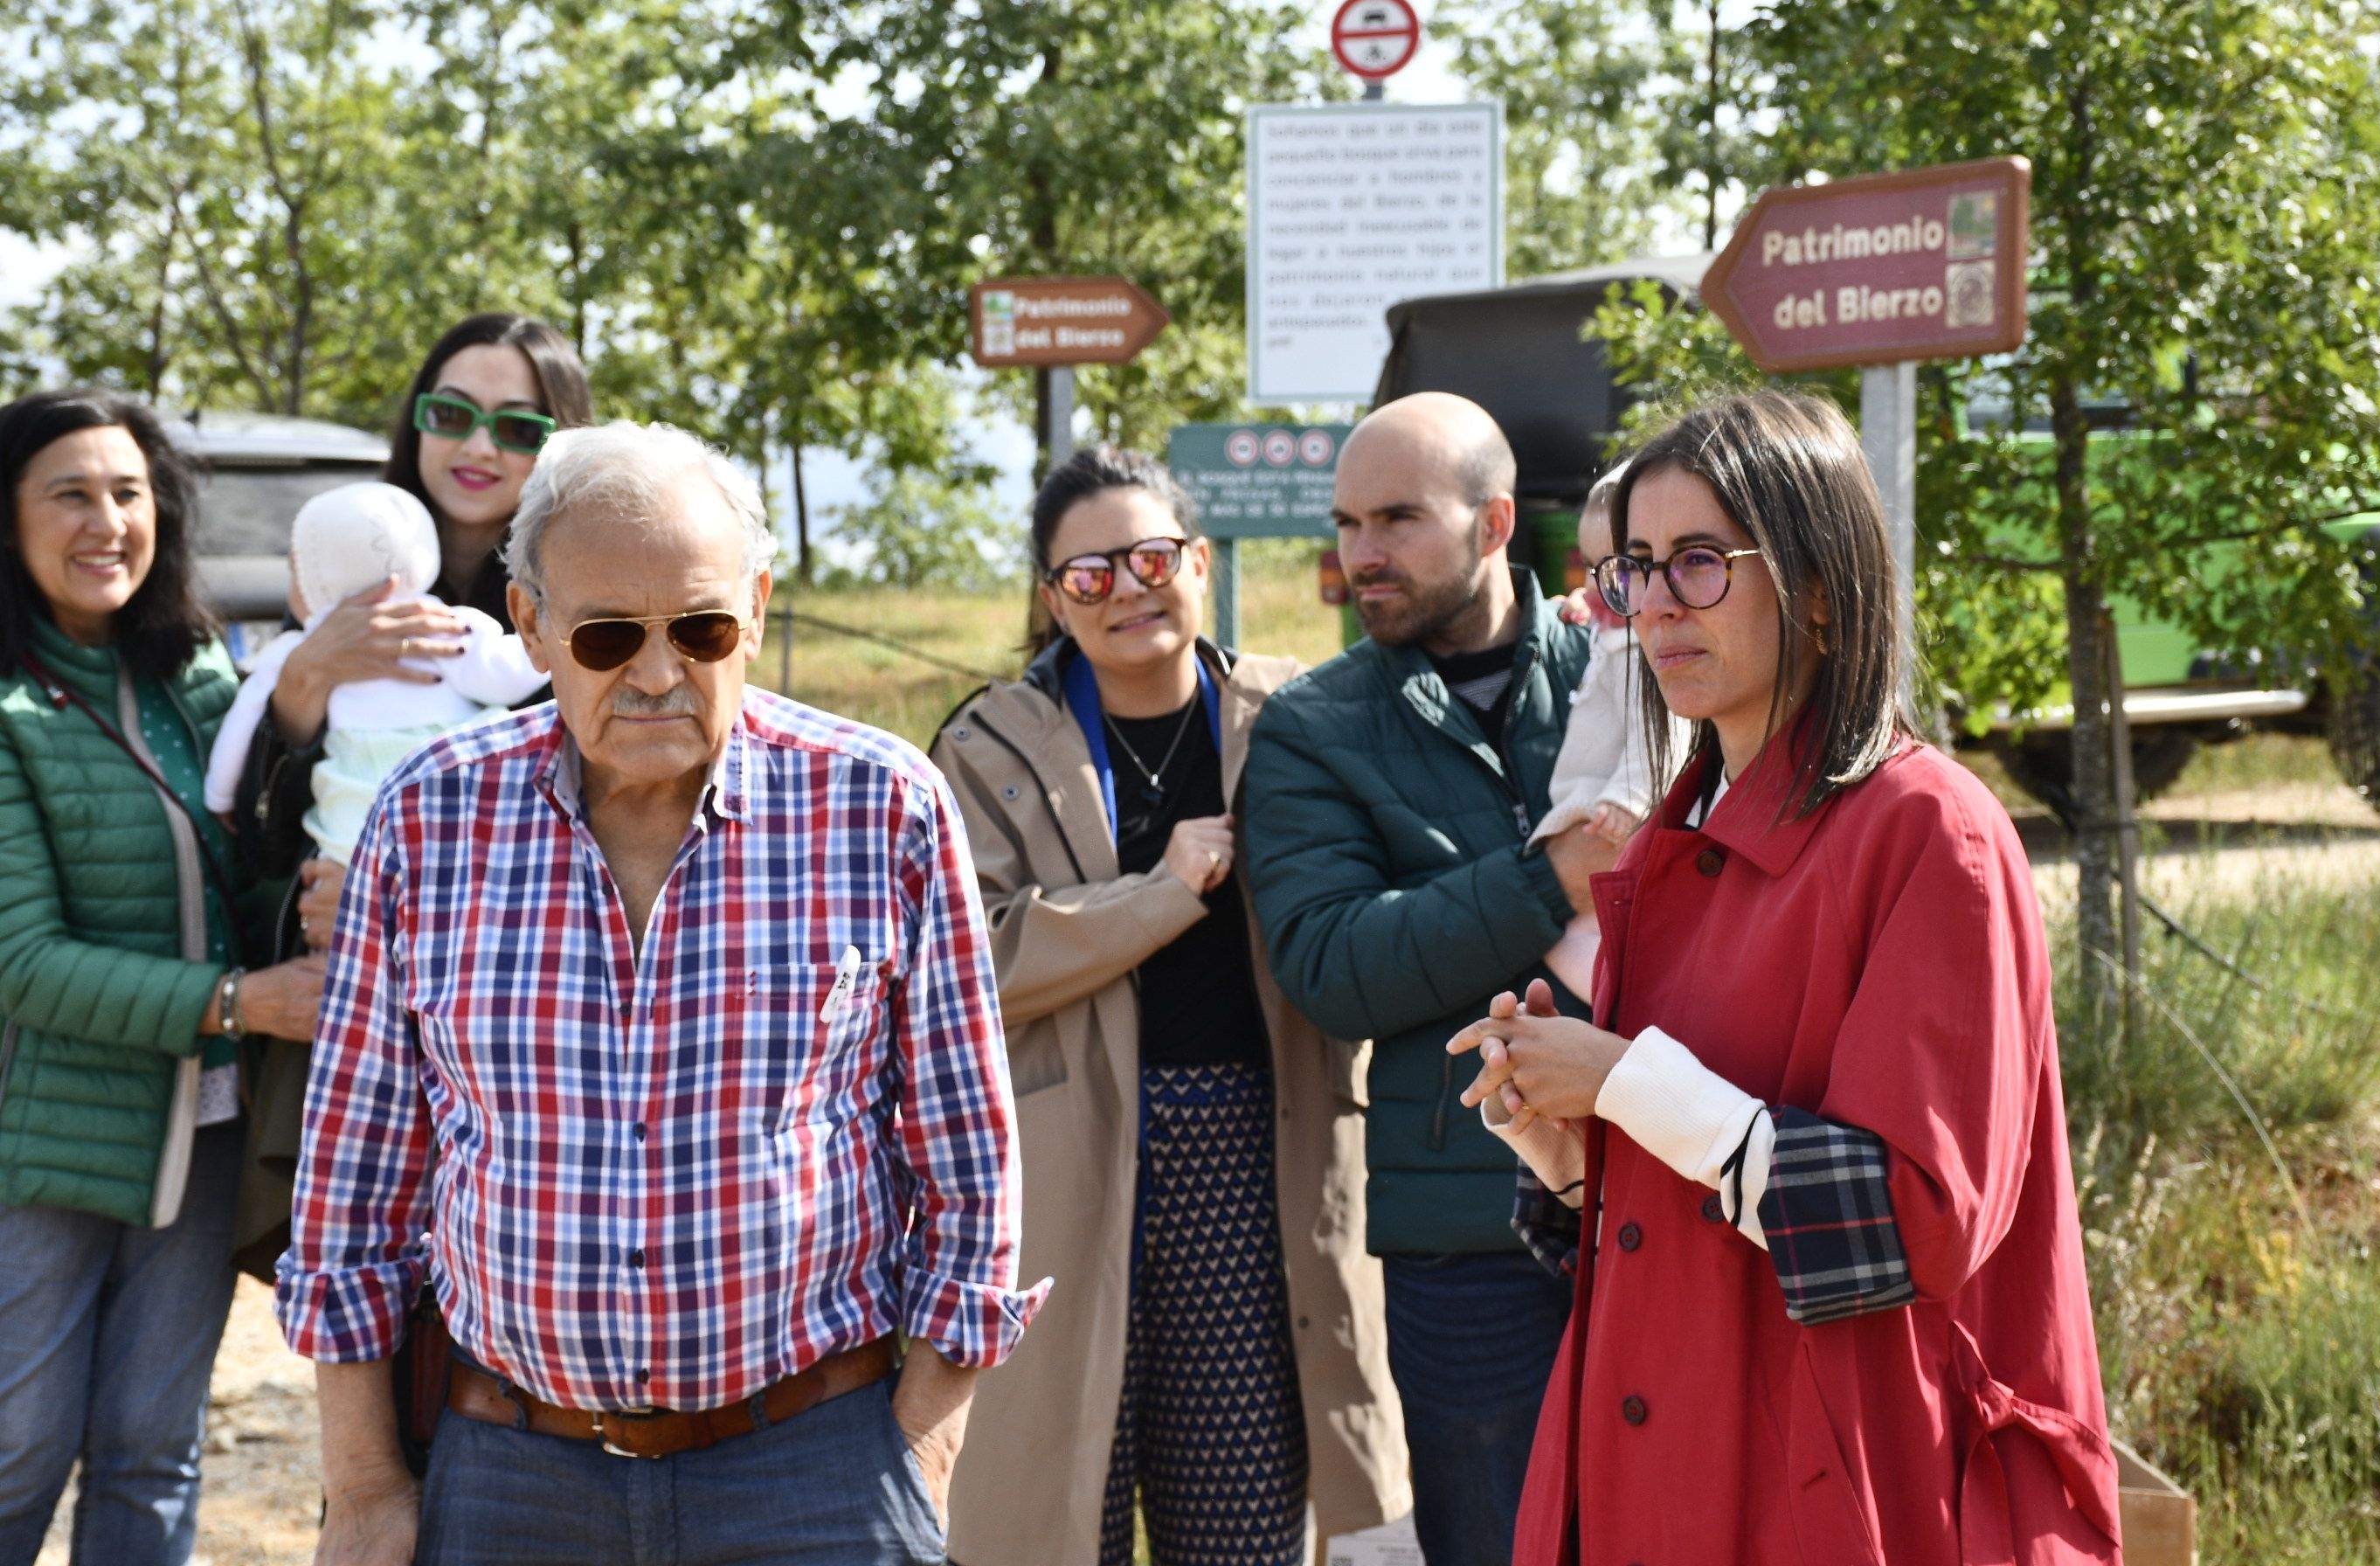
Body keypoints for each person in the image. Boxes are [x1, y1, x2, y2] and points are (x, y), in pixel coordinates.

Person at [276, 420, 1041, 1566]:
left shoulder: (882, 809)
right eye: (606, 636)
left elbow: (969, 1172)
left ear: (759, 611)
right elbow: (355, 1192)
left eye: (701, 628)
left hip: (815, 1462)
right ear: (530, 624)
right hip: (509, 1465)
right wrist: (367, 1484)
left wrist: (917, 1456)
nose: (655, 672)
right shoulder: (426, 822)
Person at [1450, 390, 2121, 1566]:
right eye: (1633, 570)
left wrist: (1625, 1084)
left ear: (1816, 583)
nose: (1652, 605)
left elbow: (1918, 1220)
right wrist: (1570, 1163)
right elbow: (1696, 1192)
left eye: (1699, 564)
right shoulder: (1670, 831)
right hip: (1654, 1473)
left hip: (1844, 1486)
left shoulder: (1932, 831)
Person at [932, 447, 1408, 1566]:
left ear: (1198, 561)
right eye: (1088, 574)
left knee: (1243, 1528)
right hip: (1059, 1169)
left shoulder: (1297, 717)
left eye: (1151, 557)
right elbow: (963, 961)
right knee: (1049, 1519)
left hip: (1255, 1161)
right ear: (1053, 598)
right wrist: (1159, 894)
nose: (1128, 588)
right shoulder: (988, 742)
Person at [1239, 392, 1610, 1566]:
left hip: (1669, 1194)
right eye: (1347, 525)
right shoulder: (1312, 727)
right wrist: (1552, 878)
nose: (1361, 557)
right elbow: (1338, 966)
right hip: (1466, 1234)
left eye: (1396, 519)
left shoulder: (1629, 676)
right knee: (1495, 1544)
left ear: (1496, 521)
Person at [0, 388, 325, 1566]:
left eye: (128, 493)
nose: (106, 521)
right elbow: (20, 963)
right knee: (18, 1454)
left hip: (207, 1134)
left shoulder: (197, 677)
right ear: (9, 519)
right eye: (69, 494)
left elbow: (241, 883)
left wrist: (301, 906)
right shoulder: (5, 708)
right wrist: (238, 1004)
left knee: (152, 1454)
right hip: (48, 1146)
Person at [226, 310, 588, 1277]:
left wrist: (405, 900)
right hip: (353, 1037)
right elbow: (251, 848)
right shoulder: (332, 576)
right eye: (453, 411)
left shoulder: (587, 602)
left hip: (533, 1040)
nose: (479, 444)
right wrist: (305, 683)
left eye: (520, 426)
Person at [204, 482, 547, 859]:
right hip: (456, 810)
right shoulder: (447, 624)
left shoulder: (292, 649)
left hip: (352, 824)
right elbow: (510, 675)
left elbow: (239, 728)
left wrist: (220, 795)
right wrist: (551, 635)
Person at [1526, 470, 1680, 998]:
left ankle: (1631, 1006)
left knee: (1576, 943)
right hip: (1590, 797)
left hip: (1612, 802)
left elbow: (1661, 732)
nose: (1597, 586)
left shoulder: (1646, 651)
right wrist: (1582, 607)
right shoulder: (1616, 625)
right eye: (1590, 567)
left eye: (1616, 569)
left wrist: (1631, 796)